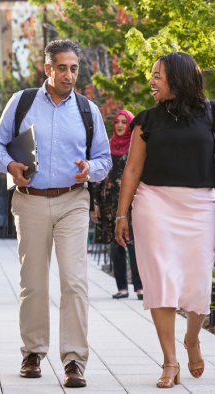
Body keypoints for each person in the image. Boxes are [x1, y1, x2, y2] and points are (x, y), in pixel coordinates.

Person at [0, 39, 112, 388]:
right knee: (34, 283)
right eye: (62, 68)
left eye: (74, 68)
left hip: (73, 200)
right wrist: (10, 164)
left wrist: (91, 169)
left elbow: (104, 159)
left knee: (74, 281)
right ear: (47, 68)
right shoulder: (22, 102)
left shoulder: (88, 110)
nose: (69, 74)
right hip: (29, 200)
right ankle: (32, 352)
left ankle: (74, 361)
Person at [114, 52, 215, 387]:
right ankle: (169, 361)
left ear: (178, 77)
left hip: (200, 206)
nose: (151, 80)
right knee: (161, 282)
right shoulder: (147, 119)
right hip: (154, 203)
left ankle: (192, 339)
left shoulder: (213, 113)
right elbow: (133, 170)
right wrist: (121, 214)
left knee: (199, 284)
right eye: (151, 74)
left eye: (157, 74)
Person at [90, 110, 143, 300]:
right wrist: (93, 204)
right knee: (115, 246)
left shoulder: (136, 147)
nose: (120, 125)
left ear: (129, 125)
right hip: (108, 205)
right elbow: (97, 178)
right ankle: (122, 288)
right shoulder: (106, 147)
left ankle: (139, 287)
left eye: (123, 122)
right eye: (117, 122)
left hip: (131, 205)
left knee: (135, 246)